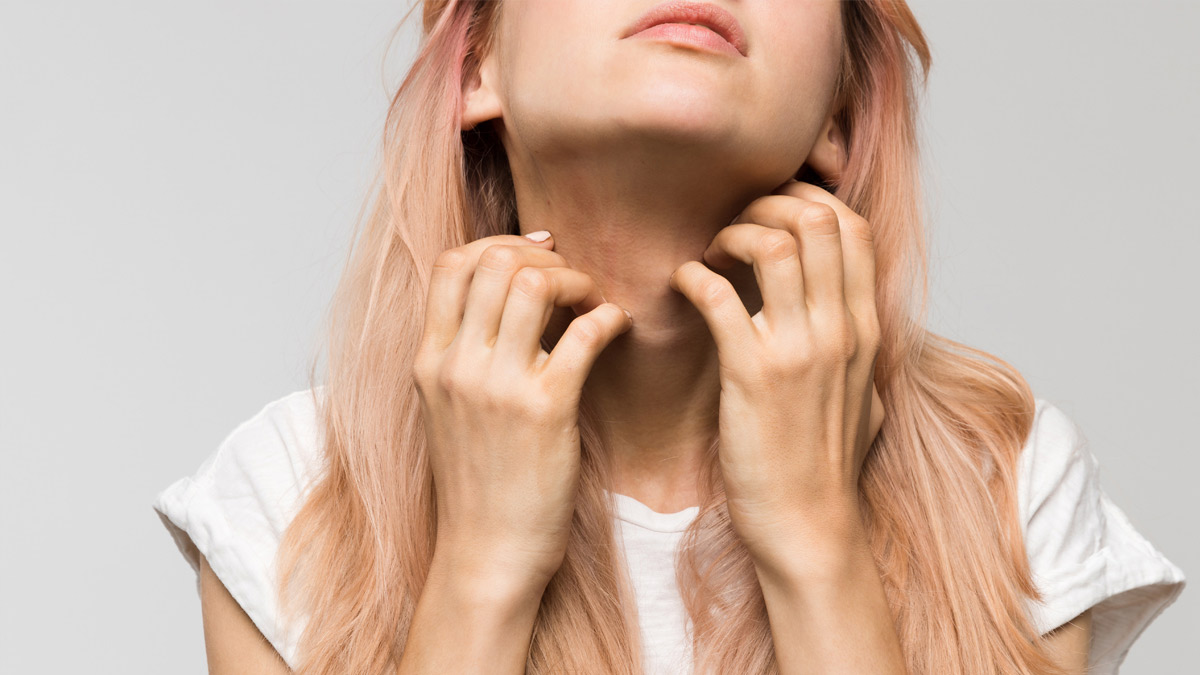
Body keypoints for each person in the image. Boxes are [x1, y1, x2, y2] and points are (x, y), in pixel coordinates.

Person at [152, 1, 1186, 673]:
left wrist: (817, 536)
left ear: (838, 115)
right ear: (475, 65)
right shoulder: (289, 497)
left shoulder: (1004, 480)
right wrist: (483, 564)